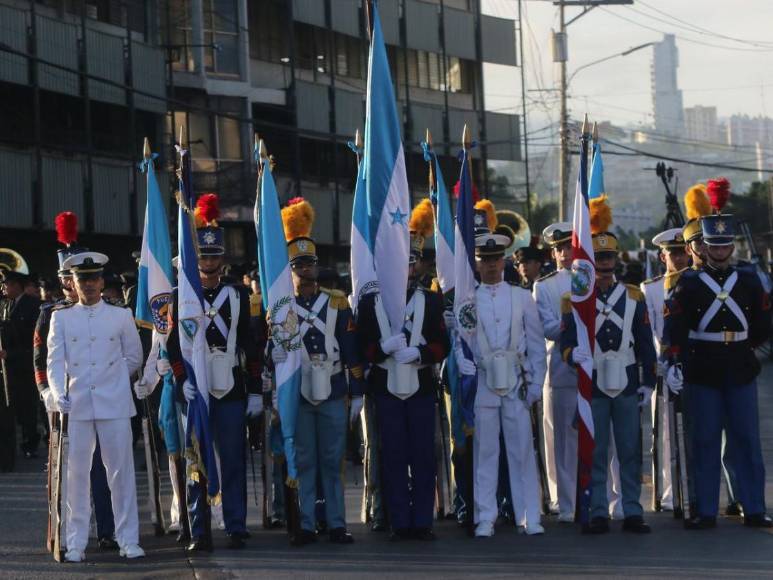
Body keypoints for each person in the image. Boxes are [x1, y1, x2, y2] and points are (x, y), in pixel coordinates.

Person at [663, 178, 772, 529]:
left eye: (726, 245)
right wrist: (673, 363)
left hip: (740, 365)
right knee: (705, 440)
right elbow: (674, 329)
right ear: (704, 247)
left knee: (746, 442)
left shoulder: (750, 280)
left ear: (732, 246)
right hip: (703, 366)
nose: (722, 251)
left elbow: (764, 326)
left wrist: (757, 357)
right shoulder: (688, 283)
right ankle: (706, 509)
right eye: (715, 245)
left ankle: (754, 507)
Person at [167, 193, 263, 552]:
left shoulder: (239, 296)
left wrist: (255, 391)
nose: (208, 262)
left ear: (223, 259)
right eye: (203, 255)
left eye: (214, 255)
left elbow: (252, 348)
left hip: (231, 388)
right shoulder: (183, 296)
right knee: (197, 460)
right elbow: (172, 346)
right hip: (196, 387)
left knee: (234, 460)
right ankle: (199, 528)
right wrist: (181, 380)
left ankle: (236, 525)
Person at [268, 197, 364, 545]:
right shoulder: (281, 306)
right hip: (298, 390)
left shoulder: (336, 301)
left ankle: (337, 523)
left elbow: (350, 348)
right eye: (298, 265)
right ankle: (306, 524)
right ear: (289, 268)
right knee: (304, 460)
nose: (304, 270)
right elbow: (271, 352)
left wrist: (358, 391)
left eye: (309, 264)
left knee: (332, 461)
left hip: (333, 387)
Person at [561, 195, 656, 534]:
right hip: (595, 381)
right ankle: (598, 510)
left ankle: (631, 509)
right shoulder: (577, 299)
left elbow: (645, 343)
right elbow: (566, 343)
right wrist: (575, 357)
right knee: (596, 450)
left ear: (616, 260)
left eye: (607, 257)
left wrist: (649, 383)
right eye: (597, 257)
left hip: (628, 380)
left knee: (630, 450)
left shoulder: (634, 296)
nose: (602, 264)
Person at [357, 203, 450, 542]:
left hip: (421, 386)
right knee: (392, 455)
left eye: (411, 262)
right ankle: (399, 520)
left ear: (417, 265)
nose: (406, 268)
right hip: (386, 388)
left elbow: (443, 344)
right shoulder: (370, 304)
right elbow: (361, 346)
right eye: (399, 262)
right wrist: (380, 349)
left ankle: (422, 520)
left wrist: (422, 353)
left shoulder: (432, 301)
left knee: (423, 455)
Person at [46, 251, 145, 562]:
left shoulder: (120, 315)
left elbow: (134, 356)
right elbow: (54, 361)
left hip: (114, 403)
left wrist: (114, 380)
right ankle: (75, 542)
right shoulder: (60, 316)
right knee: (76, 476)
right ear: (72, 283)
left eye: (93, 279)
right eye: (81, 279)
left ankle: (127, 539)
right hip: (77, 405)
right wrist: (59, 392)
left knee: (121, 475)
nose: (88, 284)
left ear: (102, 281)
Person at [456, 210, 547, 538]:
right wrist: (461, 363)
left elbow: (536, 345)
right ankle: (485, 516)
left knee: (522, 451)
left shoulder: (522, 298)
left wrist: (537, 383)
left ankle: (529, 515)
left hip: (515, 381)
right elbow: (460, 341)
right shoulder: (468, 300)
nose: (491, 265)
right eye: (485, 259)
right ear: (477, 262)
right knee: (485, 453)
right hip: (483, 383)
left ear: (506, 260)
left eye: (496, 258)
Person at [35, 216, 118, 550]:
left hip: (98, 400)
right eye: (69, 276)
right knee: (69, 471)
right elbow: (40, 358)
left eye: (81, 276)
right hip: (64, 401)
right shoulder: (50, 313)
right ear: (61, 279)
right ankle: (70, 533)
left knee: (102, 469)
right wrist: (47, 392)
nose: (74, 282)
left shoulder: (107, 309)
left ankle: (108, 529)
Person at [640, 228, 690, 512]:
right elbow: (650, 334)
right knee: (664, 434)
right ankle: (667, 494)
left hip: (693, 365)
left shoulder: (697, 282)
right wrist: (662, 364)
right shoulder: (651, 288)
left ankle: (692, 490)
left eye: (683, 252)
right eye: (673, 253)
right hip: (664, 366)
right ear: (663, 256)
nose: (680, 258)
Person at [533, 221, 576, 522]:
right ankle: (564, 500)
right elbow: (546, 327)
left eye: (568, 245)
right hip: (561, 366)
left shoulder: (593, 277)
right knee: (560, 438)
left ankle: (608, 498)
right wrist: (574, 323)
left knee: (601, 436)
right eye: (559, 248)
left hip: (595, 367)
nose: (564, 252)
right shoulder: (544, 285)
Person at [0, 270, 41, 461]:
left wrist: (12, 353)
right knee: (13, 406)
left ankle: (30, 443)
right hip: (9, 366)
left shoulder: (32, 306)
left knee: (27, 406)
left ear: (17, 285)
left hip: (25, 365)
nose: (3, 288)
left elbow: (32, 340)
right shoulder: (8, 305)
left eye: (6, 284)